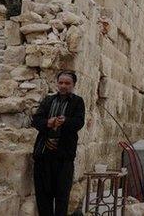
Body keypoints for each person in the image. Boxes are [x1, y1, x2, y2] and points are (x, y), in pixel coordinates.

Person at [32, 71, 86, 216]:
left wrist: (65, 121)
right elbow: (36, 120)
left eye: (67, 83)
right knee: (43, 196)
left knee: (62, 196)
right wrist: (48, 123)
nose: (63, 86)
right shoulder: (48, 100)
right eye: (61, 83)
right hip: (43, 156)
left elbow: (79, 122)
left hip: (64, 158)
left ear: (73, 85)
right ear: (57, 83)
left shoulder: (77, 102)